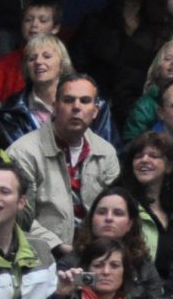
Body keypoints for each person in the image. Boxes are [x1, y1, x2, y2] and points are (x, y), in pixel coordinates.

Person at [7, 71, 116, 243]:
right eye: (68, 100)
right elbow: (19, 217)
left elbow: (116, 209)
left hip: (97, 253)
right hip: (42, 255)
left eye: (85, 101)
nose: (76, 107)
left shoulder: (105, 151)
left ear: (95, 111)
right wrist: (59, 248)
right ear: (55, 107)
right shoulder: (23, 152)